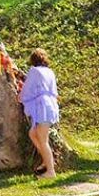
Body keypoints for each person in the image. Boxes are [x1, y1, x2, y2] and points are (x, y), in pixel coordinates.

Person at [19, 48, 59, 180]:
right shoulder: (50, 72)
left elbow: (28, 88)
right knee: (33, 133)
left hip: (42, 107)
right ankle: (46, 161)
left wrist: (21, 96)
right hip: (50, 105)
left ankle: (51, 171)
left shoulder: (34, 71)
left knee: (42, 139)